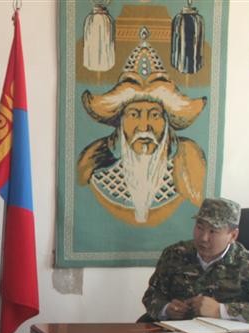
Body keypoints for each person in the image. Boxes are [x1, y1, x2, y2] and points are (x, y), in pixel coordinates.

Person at [77, 28, 207, 226]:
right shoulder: (96, 170)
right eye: (134, 115)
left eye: (154, 115)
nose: (144, 126)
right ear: (120, 121)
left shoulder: (188, 162)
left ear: (167, 122)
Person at [141, 197, 249, 327]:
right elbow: (152, 296)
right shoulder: (175, 254)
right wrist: (167, 309)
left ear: (233, 235)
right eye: (200, 227)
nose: (203, 238)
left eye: (213, 231)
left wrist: (220, 311)